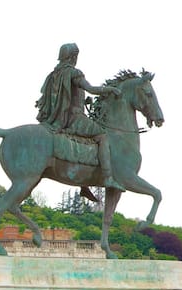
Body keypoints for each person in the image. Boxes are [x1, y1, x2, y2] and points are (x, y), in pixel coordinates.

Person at [35, 42, 124, 190]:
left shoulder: (53, 75)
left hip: (57, 118)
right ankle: (108, 177)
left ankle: (84, 184)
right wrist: (110, 89)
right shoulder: (73, 73)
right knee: (102, 136)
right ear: (72, 56)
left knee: (87, 140)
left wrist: (83, 101)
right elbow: (90, 88)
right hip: (74, 119)